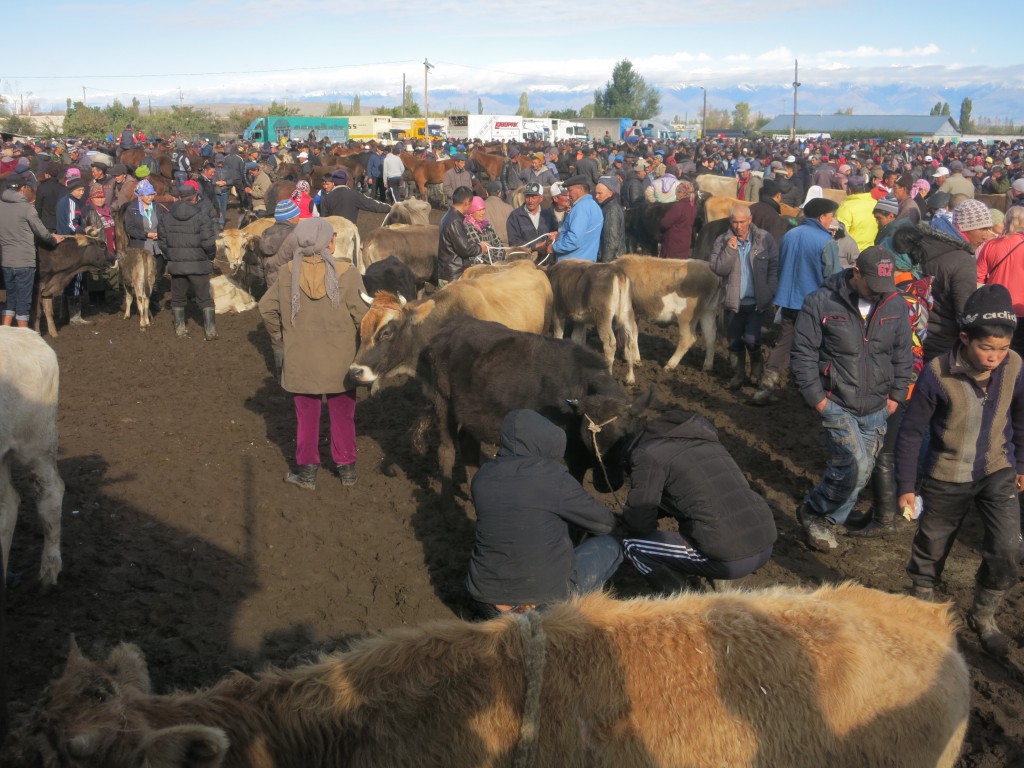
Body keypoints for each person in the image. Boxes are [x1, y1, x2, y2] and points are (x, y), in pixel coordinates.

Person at [896, 284, 1023, 658]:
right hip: (946, 474)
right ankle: (921, 614)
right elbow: (911, 431)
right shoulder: (937, 374)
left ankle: (983, 616)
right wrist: (906, 486)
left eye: (1002, 348)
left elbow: (1020, 414)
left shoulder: (1015, 366)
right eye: (987, 348)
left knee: (1006, 548)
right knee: (931, 549)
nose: (995, 357)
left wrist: (1021, 462)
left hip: (997, 469)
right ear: (965, 338)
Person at [791, 247, 914, 551]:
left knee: (862, 472)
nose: (879, 293)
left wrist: (897, 395)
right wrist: (818, 399)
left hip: (878, 404)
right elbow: (803, 353)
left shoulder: (894, 304)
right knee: (854, 465)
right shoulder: (821, 302)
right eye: (873, 286)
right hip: (837, 401)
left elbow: (903, 353)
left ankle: (822, 517)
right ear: (856, 273)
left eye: (885, 287)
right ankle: (818, 513)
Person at [466, 409, 621, 617]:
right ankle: (572, 615)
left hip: (484, 599)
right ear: (546, 442)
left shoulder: (483, 477)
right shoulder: (552, 476)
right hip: (542, 603)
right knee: (612, 546)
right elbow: (604, 524)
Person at [258, 218, 368, 490]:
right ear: (327, 242)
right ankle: (347, 471)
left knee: (306, 419)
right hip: (341, 363)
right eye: (332, 237)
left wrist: (281, 336)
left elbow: (265, 308)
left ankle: (307, 474)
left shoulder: (287, 272)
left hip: (301, 361)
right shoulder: (348, 272)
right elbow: (362, 318)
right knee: (343, 416)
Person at [620, 409, 777, 592]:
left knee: (633, 545)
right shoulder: (708, 441)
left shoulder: (647, 454)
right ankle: (721, 588)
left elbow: (640, 521)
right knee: (708, 518)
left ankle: (690, 603)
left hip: (732, 559)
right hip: (765, 544)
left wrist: (626, 518)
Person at [751, 197, 842, 404]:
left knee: (784, 342)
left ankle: (766, 385)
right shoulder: (827, 241)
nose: (832, 220)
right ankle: (807, 389)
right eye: (830, 216)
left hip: (788, 300)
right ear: (821, 217)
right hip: (813, 304)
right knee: (811, 347)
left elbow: (781, 265)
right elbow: (833, 278)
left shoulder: (790, 235)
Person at [708, 205, 779, 389]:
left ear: (749, 220)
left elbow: (773, 266)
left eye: (742, 222)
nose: (738, 226)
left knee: (751, 338)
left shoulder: (764, 239)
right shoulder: (722, 241)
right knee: (733, 341)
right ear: (730, 222)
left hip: (756, 302)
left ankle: (757, 373)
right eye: (734, 222)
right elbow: (718, 269)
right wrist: (729, 251)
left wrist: (770, 289)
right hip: (733, 302)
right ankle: (738, 375)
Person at [157, 184, 218, 340]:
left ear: (178, 197)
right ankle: (210, 331)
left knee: (177, 297)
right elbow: (208, 242)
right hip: (199, 264)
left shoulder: (166, 217)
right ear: (194, 198)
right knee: (205, 298)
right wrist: (210, 256)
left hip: (177, 265)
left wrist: (172, 256)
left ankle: (180, 329)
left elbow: (162, 242)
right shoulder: (201, 217)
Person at [0, 179, 63, 327]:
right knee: (24, 300)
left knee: (11, 297)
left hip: (6, 261)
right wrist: (54, 240)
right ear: (23, 189)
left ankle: (5, 331)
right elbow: (42, 233)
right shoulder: (26, 208)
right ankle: (24, 336)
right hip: (24, 261)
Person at [976, 206, 1024, 355]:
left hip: (994, 307)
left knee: (996, 352)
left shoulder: (991, 245)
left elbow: (978, 277)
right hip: (1021, 309)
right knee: (1018, 353)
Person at [437, 186, 489, 285]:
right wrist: (480, 248)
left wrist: (476, 244)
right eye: (470, 203)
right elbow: (465, 249)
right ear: (466, 202)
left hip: (448, 271)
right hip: (453, 275)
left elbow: (459, 243)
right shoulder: (455, 221)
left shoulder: (447, 217)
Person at [551, 175, 602, 263]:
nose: (568, 195)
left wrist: (554, 247)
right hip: (587, 261)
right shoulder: (594, 205)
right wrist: (561, 236)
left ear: (581, 189)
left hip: (572, 266)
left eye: (570, 190)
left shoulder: (581, 208)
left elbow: (574, 240)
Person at [318, 168, 390, 224]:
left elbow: (323, 218)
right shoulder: (354, 194)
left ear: (333, 182)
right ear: (346, 181)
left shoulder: (327, 197)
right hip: (350, 231)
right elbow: (372, 204)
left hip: (333, 232)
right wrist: (391, 208)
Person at [506, 181, 556, 260]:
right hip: (525, 262)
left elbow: (554, 233)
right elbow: (514, 242)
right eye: (527, 197)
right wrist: (536, 246)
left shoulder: (548, 214)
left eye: (534, 197)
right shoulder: (515, 216)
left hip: (546, 260)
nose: (530, 201)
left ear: (541, 198)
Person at [260, 199, 303, 287]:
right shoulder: (296, 234)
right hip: (291, 283)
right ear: (291, 218)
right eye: (297, 215)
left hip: (271, 283)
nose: (299, 218)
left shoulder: (266, 233)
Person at [659, 179, 697, 259]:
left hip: (673, 243)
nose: (676, 194)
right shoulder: (692, 206)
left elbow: (665, 223)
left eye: (677, 192)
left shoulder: (678, 206)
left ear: (682, 193)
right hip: (685, 241)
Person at [593, 175, 625, 264]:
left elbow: (611, 241)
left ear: (610, 193)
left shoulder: (611, 210)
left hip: (611, 261)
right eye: (596, 193)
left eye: (600, 193)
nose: (596, 196)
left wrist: (605, 265)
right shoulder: (606, 206)